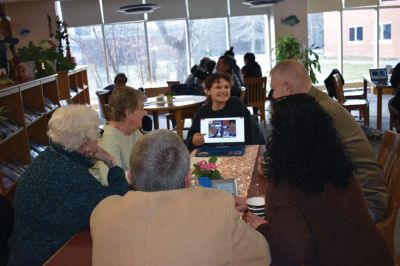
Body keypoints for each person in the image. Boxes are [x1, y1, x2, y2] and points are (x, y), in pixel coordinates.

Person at [246, 94, 392, 266]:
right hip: (374, 256)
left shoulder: (284, 185)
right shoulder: (339, 166)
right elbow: (313, 206)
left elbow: (294, 253)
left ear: (280, 136)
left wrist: (263, 228)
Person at [90, 129, 271, 266]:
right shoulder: (219, 207)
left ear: (130, 177)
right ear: (187, 178)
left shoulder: (102, 213)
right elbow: (262, 255)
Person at [267, 59, 388, 222]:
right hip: (353, 193)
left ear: (287, 87)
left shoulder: (313, 113)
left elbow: (301, 169)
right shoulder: (316, 102)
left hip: (364, 204)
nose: (272, 95)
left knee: (286, 220)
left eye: (273, 89)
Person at [7, 105, 129, 265]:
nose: (98, 143)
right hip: (48, 259)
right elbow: (116, 203)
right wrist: (111, 162)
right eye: (97, 137)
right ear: (84, 144)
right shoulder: (72, 177)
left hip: (22, 255)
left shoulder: (46, 158)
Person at [186, 72, 265, 150]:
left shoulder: (237, 104)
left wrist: (253, 152)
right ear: (208, 91)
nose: (223, 90)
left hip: (238, 152)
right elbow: (190, 139)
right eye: (218, 87)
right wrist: (193, 141)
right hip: (211, 154)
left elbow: (252, 131)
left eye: (226, 87)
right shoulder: (203, 112)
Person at [91, 86, 146, 186]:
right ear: (129, 113)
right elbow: (110, 179)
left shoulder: (133, 131)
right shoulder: (107, 139)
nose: (145, 112)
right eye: (141, 108)